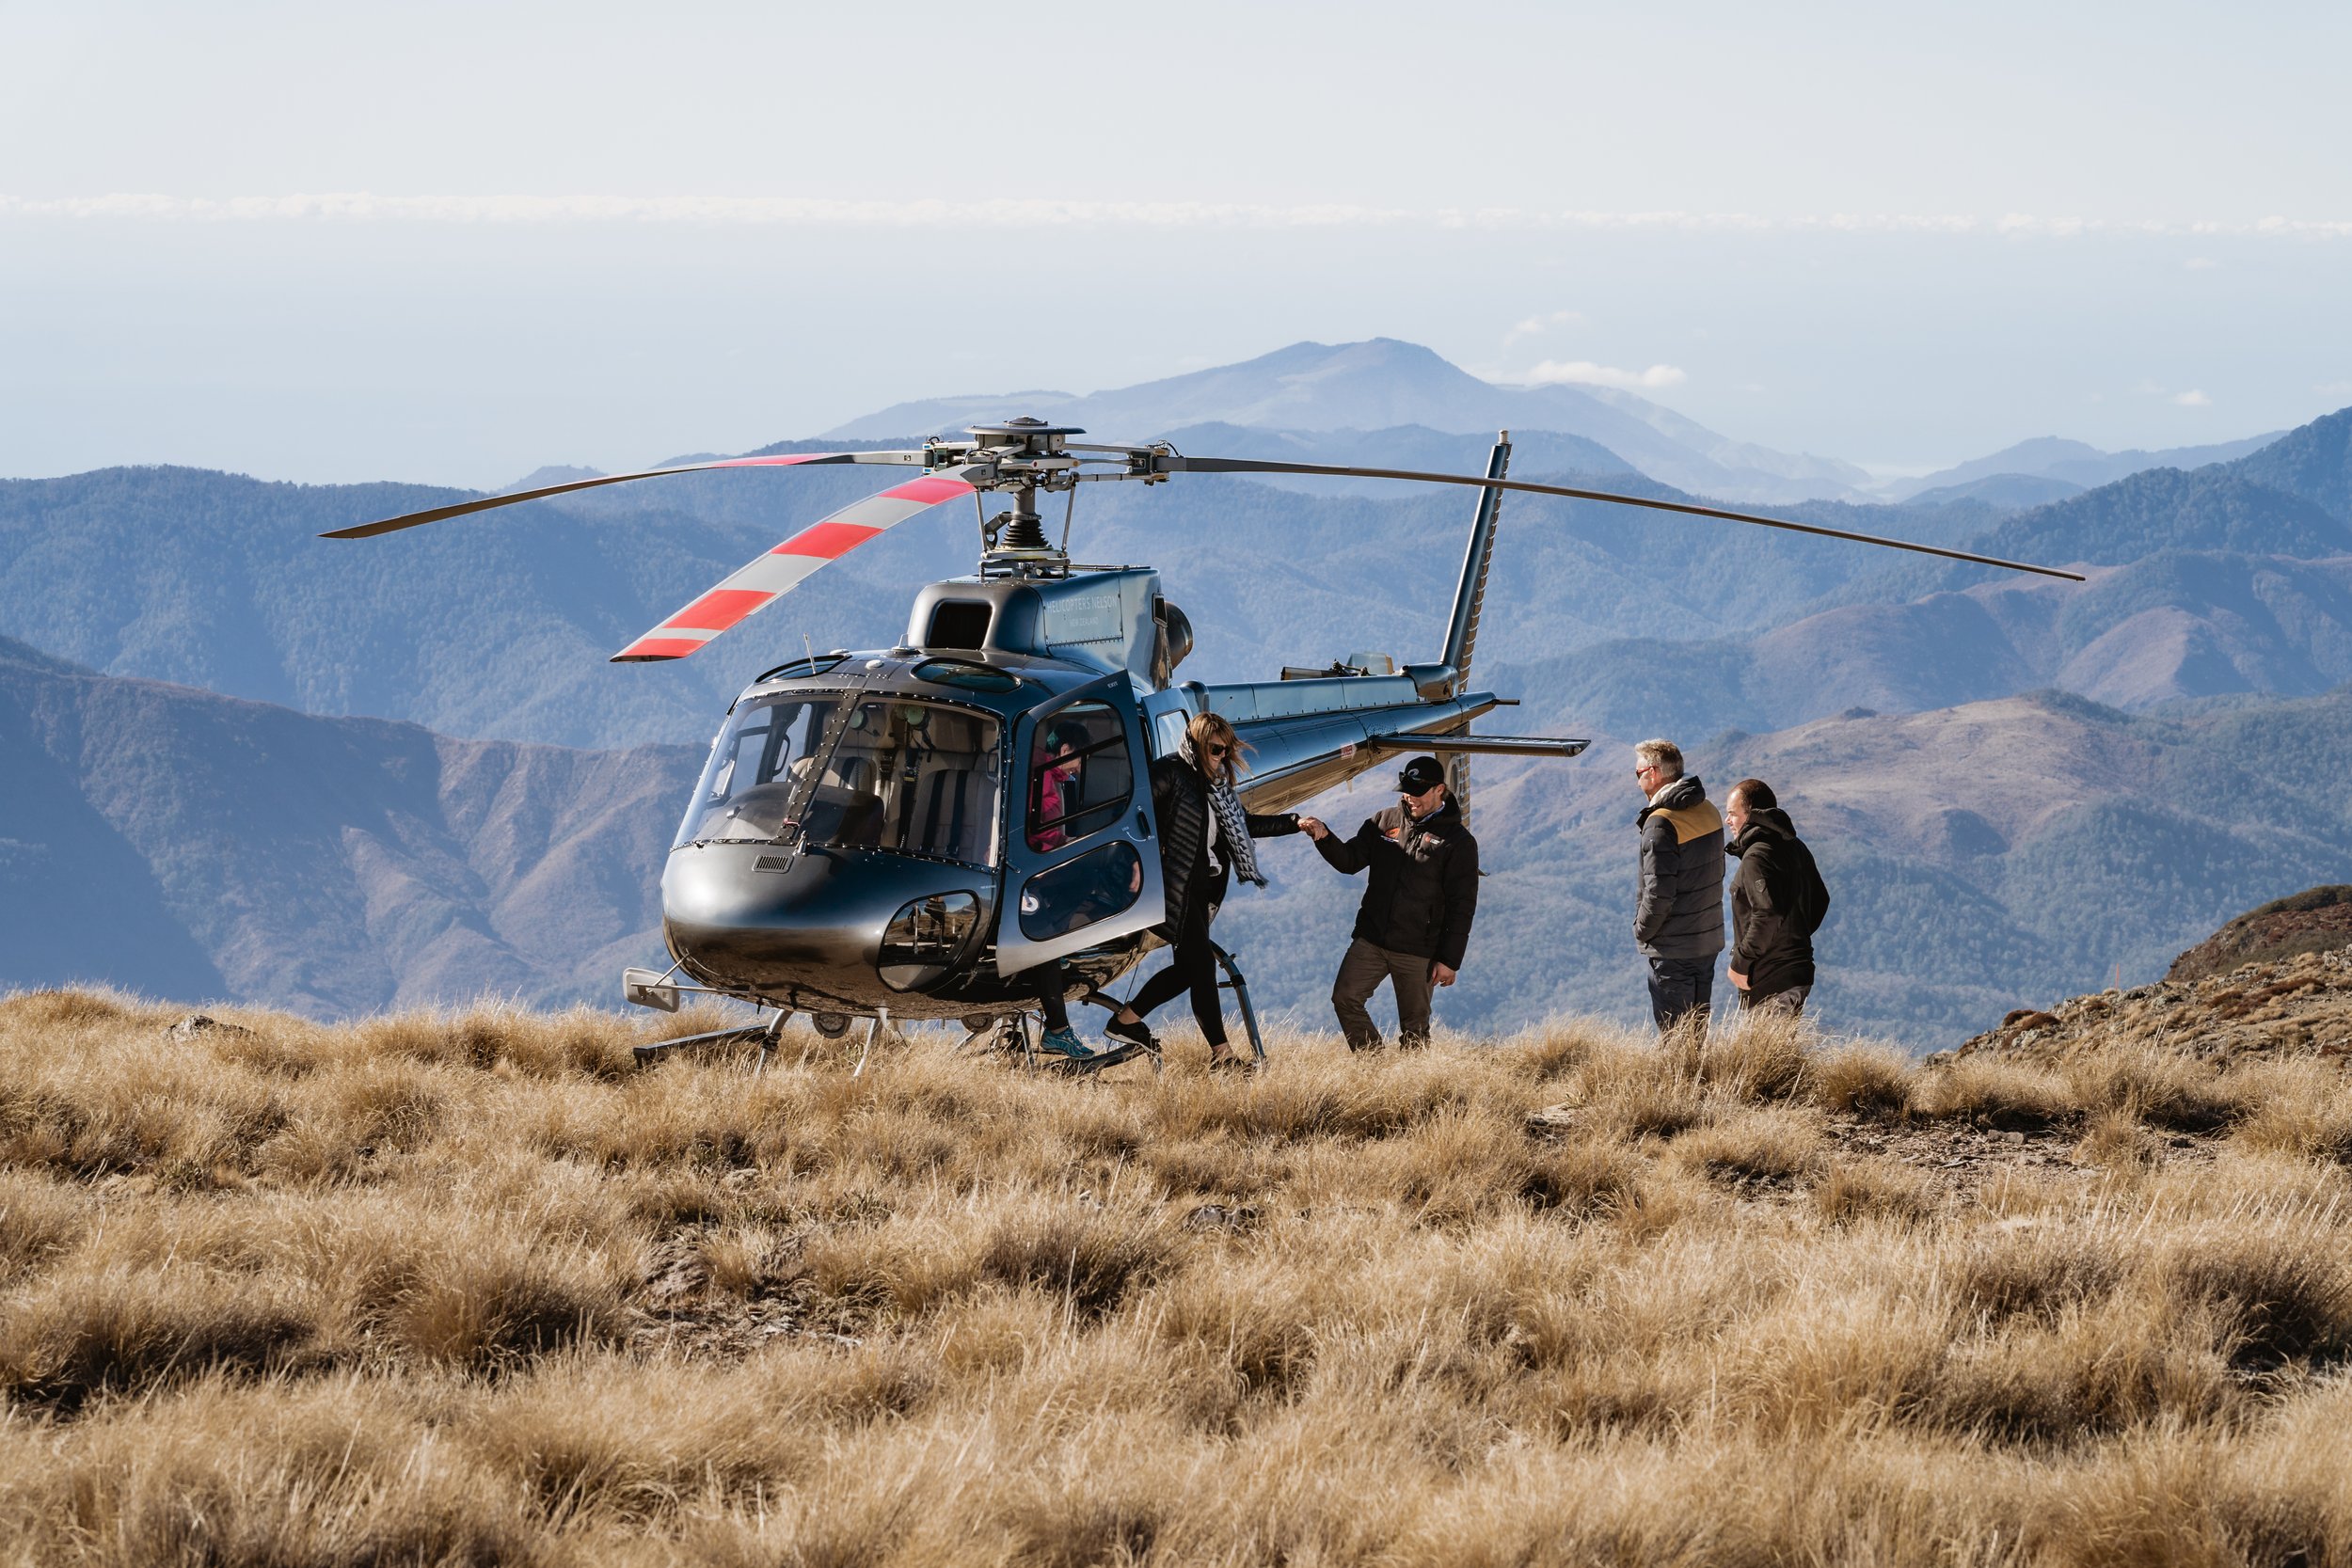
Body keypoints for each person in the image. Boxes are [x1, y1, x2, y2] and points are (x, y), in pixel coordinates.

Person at [1103, 711, 1301, 1070]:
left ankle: (1126, 1021)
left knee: (1188, 971)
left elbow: (1245, 824)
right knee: (1202, 968)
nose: (1222, 756)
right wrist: (1130, 863)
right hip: (1172, 887)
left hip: (1201, 887)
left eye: (1225, 750)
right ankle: (1222, 1056)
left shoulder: (1218, 788)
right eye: (1215, 748)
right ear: (1196, 743)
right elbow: (1129, 811)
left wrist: (1295, 823)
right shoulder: (1171, 772)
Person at [1297, 755, 1478, 1051]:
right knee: (1345, 998)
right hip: (1372, 938)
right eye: (1406, 791)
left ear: (1440, 791)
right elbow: (1350, 861)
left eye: (1418, 793)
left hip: (1418, 948)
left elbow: (1463, 905)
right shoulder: (1383, 822)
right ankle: (1374, 1066)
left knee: (1415, 1028)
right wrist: (1324, 836)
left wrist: (1450, 960)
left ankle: (1412, 1087)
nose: (1410, 798)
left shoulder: (1459, 842)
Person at [1631, 739, 1725, 1032]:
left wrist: (1642, 931)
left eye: (1638, 774)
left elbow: (1658, 893)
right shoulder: (1708, 810)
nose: (1637, 782)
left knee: (1676, 1037)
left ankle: (1682, 1080)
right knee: (1696, 1033)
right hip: (1706, 941)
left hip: (1673, 947)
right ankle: (1702, 1079)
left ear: (1654, 772)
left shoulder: (1660, 824)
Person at [1724, 778, 1831, 1016]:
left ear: (1752, 815)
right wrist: (1793, 939)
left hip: (1769, 977)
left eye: (1733, 813)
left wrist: (1741, 962)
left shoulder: (1756, 856)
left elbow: (1767, 912)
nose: (1727, 820)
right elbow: (1820, 899)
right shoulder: (1795, 847)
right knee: (1778, 1052)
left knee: (1763, 1054)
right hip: (1797, 971)